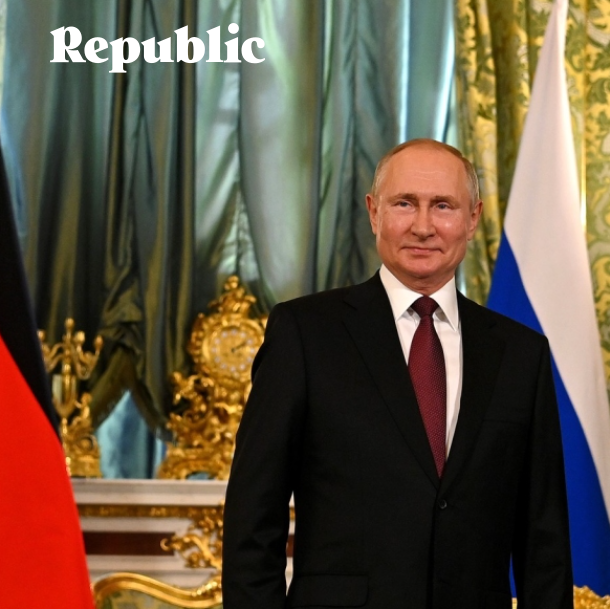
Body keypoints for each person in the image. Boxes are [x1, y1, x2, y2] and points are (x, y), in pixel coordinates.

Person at [223, 139, 573, 609]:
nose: (423, 226)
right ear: (374, 212)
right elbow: (253, 518)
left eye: (443, 206)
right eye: (404, 203)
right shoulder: (304, 334)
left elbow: (544, 541)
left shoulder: (521, 353)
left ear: (472, 219)